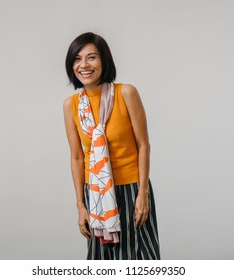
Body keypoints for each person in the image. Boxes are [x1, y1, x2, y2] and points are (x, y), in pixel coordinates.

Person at [63, 32, 160, 260]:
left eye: (91, 57)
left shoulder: (126, 93)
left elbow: (143, 145)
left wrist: (143, 193)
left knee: (139, 257)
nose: (84, 65)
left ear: (104, 60)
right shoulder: (71, 106)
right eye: (77, 59)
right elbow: (77, 157)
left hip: (131, 189)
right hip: (95, 194)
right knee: (102, 261)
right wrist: (80, 206)